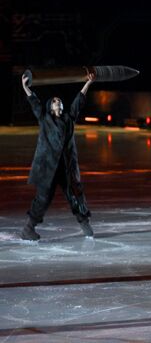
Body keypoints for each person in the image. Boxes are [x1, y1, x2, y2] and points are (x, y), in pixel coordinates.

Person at [20, 70, 95, 241]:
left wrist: (88, 83)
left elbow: (78, 103)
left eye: (60, 101)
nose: (58, 102)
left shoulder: (68, 120)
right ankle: (28, 229)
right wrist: (25, 87)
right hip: (48, 167)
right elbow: (35, 102)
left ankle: (84, 223)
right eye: (54, 101)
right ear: (50, 107)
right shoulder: (44, 118)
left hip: (66, 166)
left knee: (75, 195)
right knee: (43, 198)